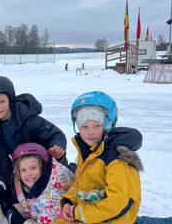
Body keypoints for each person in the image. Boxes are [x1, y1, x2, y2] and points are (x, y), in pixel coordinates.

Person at [57, 91, 143, 224]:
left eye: (97, 125)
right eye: (84, 126)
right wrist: (69, 201)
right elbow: (80, 184)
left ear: (108, 125)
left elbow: (117, 203)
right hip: (91, 215)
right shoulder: (90, 152)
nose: (90, 132)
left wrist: (78, 212)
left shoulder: (116, 158)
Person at [0, 76, 68, 165]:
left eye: (2, 101)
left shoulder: (27, 119)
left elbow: (56, 134)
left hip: (50, 166)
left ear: (10, 100)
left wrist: (57, 147)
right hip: (25, 168)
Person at [6, 143, 75, 224]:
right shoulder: (21, 181)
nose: (28, 174)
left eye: (33, 168)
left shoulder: (51, 201)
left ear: (43, 167)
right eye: (23, 170)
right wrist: (20, 208)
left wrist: (19, 221)